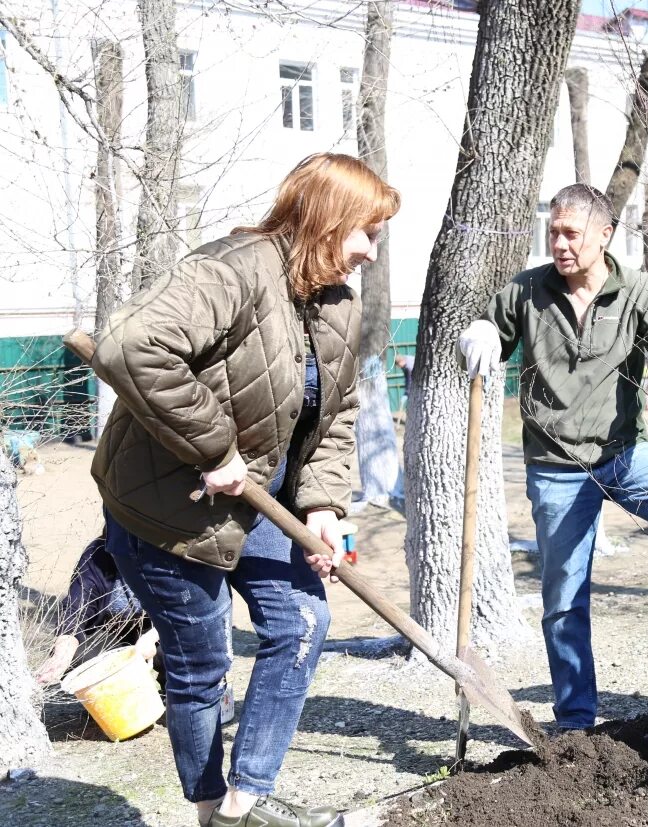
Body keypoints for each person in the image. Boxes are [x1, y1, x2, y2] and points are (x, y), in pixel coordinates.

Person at [91, 152, 399, 827]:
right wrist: (212, 445)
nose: (371, 253)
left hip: (260, 497)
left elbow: (338, 412)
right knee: (202, 666)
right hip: (168, 509)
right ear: (329, 220)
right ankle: (206, 809)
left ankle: (243, 801)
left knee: (303, 622)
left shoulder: (338, 302)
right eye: (365, 233)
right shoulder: (230, 270)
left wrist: (321, 504)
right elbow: (128, 343)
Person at [457, 183, 648, 731]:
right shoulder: (527, 291)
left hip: (623, 456)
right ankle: (575, 716)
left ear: (604, 234)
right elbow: (492, 330)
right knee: (564, 596)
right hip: (555, 466)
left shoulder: (638, 292)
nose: (561, 244)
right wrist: (480, 334)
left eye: (572, 233)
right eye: (554, 232)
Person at [34, 535, 163, 690]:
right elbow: (75, 610)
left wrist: (151, 637)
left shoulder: (169, 553)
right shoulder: (98, 554)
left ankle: (177, 697)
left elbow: (185, 610)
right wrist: (61, 656)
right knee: (78, 655)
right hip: (109, 630)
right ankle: (108, 698)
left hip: (160, 627)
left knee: (180, 649)